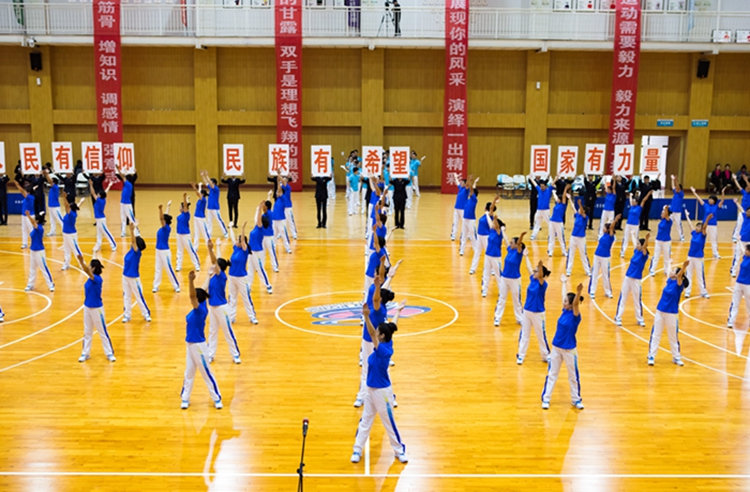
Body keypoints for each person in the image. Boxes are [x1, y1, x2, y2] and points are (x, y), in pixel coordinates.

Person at [351, 299, 407, 465]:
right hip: (370, 390)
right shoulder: (388, 340)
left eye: (378, 331)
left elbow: (370, 330)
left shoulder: (382, 349)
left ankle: (399, 450)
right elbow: (392, 326)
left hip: (382, 392)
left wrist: (367, 317)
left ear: (381, 336)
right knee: (366, 419)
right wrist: (398, 311)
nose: (375, 332)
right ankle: (357, 448)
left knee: (388, 422)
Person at [181, 270, 223, 410]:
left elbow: (192, 295)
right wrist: (208, 276)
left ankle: (216, 398)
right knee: (189, 373)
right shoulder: (203, 304)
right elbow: (203, 289)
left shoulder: (199, 310)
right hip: (190, 344)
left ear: (197, 300)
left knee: (206, 373)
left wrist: (191, 281)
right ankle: (185, 398)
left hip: (199, 346)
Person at [541, 279, 585, 410]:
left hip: (569, 350)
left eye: (566, 301)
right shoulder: (565, 311)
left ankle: (576, 399)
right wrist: (564, 283)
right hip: (556, 348)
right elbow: (564, 296)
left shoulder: (575, 315)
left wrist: (578, 292)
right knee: (552, 374)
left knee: (572, 376)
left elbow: (576, 304)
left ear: (571, 305)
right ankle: (546, 399)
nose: (563, 302)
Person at [204, 238, 241, 364]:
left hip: (222, 308)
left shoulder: (222, 276)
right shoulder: (214, 276)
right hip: (212, 307)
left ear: (219, 268)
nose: (213, 266)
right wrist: (218, 247)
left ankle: (235, 354)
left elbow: (215, 260)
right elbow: (218, 260)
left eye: (216, 266)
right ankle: (210, 354)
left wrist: (210, 249)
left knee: (227, 332)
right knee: (212, 331)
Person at [648, 261, 690, 366]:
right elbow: (672, 273)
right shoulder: (670, 281)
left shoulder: (678, 285)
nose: (670, 271)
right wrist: (671, 263)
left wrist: (684, 267)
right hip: (660, 310)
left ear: (677, 275)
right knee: (656, 334)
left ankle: (676, 357)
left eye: (673, 271)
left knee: (673, 336)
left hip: (671, 313)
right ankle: (651, 355)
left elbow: (680, 276)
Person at [76, 254, 116, 363]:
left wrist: (81, 261)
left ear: (93, 268)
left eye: (90, 266)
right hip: (87, 307)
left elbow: (86, 271)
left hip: (97, 309)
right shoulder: (90, 279)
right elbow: (87, 272)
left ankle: (109, 353)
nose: (88, 267)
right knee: (87, 331)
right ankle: (85, 353)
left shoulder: (97, 279)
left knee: (102, 331)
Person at [516, 260, 551, 365]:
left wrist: (540, 266)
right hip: (527, 311)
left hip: (538, 313)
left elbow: (540, 276)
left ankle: (545, 355)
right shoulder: (532, 280)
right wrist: (526, 256)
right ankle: (521, 355)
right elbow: (528, 268)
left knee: (540, 335)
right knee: (524, 334)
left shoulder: (543, 284)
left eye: (537, 271)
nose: (534, 272)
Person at [614, 234, 650, 327]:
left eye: (638, 244)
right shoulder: (636, 251)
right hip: (627, 277)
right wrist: (634, 236)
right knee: (623, 297)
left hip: (636, 279)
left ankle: (639, 318)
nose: (636, 245)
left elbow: (645, 247)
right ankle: (618, 317)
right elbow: (638, 245)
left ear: (642, 246)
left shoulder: (644, 255)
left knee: (637, 300)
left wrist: (646, 239)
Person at [494, 231, 528, 327]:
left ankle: (519, 318)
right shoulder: (510, 249)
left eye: (512, 242)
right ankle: (497, 317)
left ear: (517, 244)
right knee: (502, 298)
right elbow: (505, 240)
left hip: (515, 280)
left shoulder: (518, 252)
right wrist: (503, 231)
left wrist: (521, 235)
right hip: (504, 278)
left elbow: (519, 243)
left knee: (516, 299)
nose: (510, 243)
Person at [227, 223, 258, 325]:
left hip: (242, 277)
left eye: (238, 240)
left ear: (242, 242)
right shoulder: (235, 248)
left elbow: (244, 242)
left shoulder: (245, 250)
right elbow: (231, 237)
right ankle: (231, 317)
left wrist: (243, 229)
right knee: (232, 297)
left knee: (246, 297)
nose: (236, 241)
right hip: (232, 276)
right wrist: (230, 227)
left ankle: (252, 317)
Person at [121, 222, 152, 323]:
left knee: (139, 297)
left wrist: (130, 230)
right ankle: (127, 315)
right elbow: (135, 239)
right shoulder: (131, 250)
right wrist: (136, 227)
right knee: (127, 296)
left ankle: (146, 314)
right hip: (125, 276)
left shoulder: (136, 252)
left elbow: (134, 241)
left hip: (134, 278)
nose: (132, 242)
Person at [589, 215, 621, 299]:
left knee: (605, 275)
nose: (603, 229)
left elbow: (611, 228)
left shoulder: (611, 237)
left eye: (604, 228)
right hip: (597, 255)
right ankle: (592, 291)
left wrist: (615, 220)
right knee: (595, 273)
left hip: (605, 257)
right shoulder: (603, 235)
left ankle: (607, 291)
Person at [683, 210, 712, 299]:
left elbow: (705, 226)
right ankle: (687, 291)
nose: (697, 228)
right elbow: (689, 225)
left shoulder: (703, 235)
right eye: (697, 226)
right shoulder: (694, 233)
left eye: (699, 226)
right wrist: (687, 216)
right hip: (690, 257)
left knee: (700, 276)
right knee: (689, 275)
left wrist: (707, 219)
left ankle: (703, 291)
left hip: (699, 258)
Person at [152, 202, 180, 294]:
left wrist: (160, 209)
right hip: (158, 250)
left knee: (168, 268)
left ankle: (176, 285)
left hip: (165, 251)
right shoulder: (164, 227)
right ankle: (156, 286)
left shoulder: (166, 228)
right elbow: (165, 216)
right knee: (158, 268)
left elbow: (161, 218)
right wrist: (168, 206)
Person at [24, 211, 55, 293]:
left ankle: (50, 284)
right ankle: (30, 284)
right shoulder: (35, 228)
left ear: (37, 221)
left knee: (44, 268)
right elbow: (33, 223)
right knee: (32, 269)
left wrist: (28, 215)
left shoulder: (40, 228)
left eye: (35, 219)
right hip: (32, 251)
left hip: (39, 251)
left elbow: (33, 222)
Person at [690, 186, 724, 259]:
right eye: (709, 199)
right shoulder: (706, 206)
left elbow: (722, 201)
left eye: (711, 199)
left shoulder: (716, 207)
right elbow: (699, 199)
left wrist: (723, 193)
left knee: (713, 239)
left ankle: (715, 253)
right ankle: (699, 252)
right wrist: (694, 192)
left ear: (714, 201)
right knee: (701, 239)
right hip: (705, 225)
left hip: (713, 225)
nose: (709, 200)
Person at [248, 201, 273, 295]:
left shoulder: (260, 228)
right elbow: (257, 219)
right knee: (250, 270)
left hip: (257, 252)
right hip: (251, 251)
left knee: (260, 270)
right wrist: (258, 209)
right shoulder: (256, 227)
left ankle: (268, 285)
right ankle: (249, 286)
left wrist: (259, 209)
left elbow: (258, 219)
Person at [620, 190, 652, 258]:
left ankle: (636, 251)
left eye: (634, 201)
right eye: (633, 201)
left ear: (637, 202)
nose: (633, 202)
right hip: (628, 224)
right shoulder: (631, 207)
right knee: (626, 238)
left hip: (635, 226)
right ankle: (623, 252)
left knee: (635, 239)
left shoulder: (639, 208)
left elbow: (644, 200)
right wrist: (631, 194)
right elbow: (630, 198)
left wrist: (648, 194)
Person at [472, 197, 498, 276]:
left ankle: (493, 269)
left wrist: (494, 201)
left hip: (486, 237)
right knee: (477, 252)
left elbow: (492, 208)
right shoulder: (484, 216)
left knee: (489, 253)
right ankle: (473, 268)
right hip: (479, 236)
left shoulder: (490, 215)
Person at [566, 198, 592, 277]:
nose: (578, 209)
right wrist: (570, 199)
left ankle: (587, 271)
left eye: (580, 209)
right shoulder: (577, 215)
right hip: (573, 237)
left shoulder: (585, 217)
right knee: (571, 254)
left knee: (583, 255)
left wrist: (580, 204)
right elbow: (573, 207)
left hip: (581, 238)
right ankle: (568, 270)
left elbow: (582, 212)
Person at [175, 193, 201, 273]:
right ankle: (178, 265)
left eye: (181, 207)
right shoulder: (180, 215)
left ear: (184, 208)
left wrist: (184, 197)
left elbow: (186, 206)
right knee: (179, 250)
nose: (179, 208)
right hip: (179, 234)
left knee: (190, 250)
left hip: (185, 235)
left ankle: (196, 265)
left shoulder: (186, 214)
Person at [482, 214, 506, 298]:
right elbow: (490, 222)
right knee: (486, 273)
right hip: (488, 255)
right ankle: (484, 289)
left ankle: (502, 291)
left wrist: (495, 219)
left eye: (494, 223)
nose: (492, 224)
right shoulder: (491, 231)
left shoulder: (500, 234)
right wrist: (488, 214)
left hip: (496, 257)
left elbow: (498, 227)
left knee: (498, 275)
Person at [200, 170, 229, 239]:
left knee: (219, 220)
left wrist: (207, 175)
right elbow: (206, 182)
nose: (210, 183)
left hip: (215, 208)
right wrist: (203, 176)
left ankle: (225, 232)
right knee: (209, 221)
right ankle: (209, 233)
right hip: (209, 208)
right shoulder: (210, 188)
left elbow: (209, 182)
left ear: (214, 183)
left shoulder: (216, 189)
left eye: (211, 182)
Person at [91, 180, 117, 254]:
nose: (97, 194)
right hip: (97, 219)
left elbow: (93, 193)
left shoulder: (99, 200)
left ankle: (113, 244)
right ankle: (98, 245)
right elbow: (106, 192)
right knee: (98, 233)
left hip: (101, 219)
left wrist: (90, 185)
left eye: (98, 193)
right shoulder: (103, 198)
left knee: (106, 232)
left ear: (100, 195)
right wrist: (109, 185)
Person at [59, 192, 84, 270]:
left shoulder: (71, 214)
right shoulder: (73, 212)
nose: (68, 207)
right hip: (65, 233)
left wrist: (64, 197)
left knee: (75, 249)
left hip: (71, 234)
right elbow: (77, 206)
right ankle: (66, 264)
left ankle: (83, 264)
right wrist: (81, 201)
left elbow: (66, 205)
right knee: (66, 249)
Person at [728, 245, 750, 329]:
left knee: (749, 305)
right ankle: (731, 320)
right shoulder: (745, 257)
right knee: (735, 302)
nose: (745, 251)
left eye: (747, 250)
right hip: (738, 283)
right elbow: (741, 248)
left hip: (748, 285)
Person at [115, 165, 139, 237]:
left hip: (127, 204)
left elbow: (122, 177)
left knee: (131, 218)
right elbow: (122, 177)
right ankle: (123, 232)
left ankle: (136, 232)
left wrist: (118, 169)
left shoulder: (128, 185)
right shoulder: (126, 185)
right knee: (123, 218)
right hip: (122, 203)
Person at [547, 183, 570, 257]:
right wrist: (553, 192)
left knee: (560, 238)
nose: (557, 200)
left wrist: (565, 189)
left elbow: (563, 196)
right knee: (551, 237)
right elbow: (555, 197)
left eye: (559, 199)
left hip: (559, 223)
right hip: (552, 222)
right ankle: (550, 251)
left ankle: (564, 251)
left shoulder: (563, 205)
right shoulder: (557, 204)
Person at [649, 206, 673, 277]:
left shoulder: (669, 221)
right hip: (658, 240)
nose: (661, 214)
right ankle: (652, 270)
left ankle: (666, 270)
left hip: (666, 241)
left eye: (663, 213)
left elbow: (666, 215)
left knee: (666, 257)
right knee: (656, 256)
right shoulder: (661, 221)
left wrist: (666, 208)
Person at [460, 176, 480, 257]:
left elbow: (472, 189)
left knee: (473, 236)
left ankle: (476, 250)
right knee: (464, 234)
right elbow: (471, 189)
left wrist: (470, 181)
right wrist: (472, 181)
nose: (469, 193)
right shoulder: (468, 199)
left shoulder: (474, 199)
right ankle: (462, 250)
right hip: (465, 219)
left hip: (471, 220)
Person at [530, 176, 552, 241]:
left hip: (546, 210)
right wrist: (531, 178)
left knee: (549, 223)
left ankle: (552, 235)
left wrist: (556, 177)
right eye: (541, 186)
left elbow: (553, 183)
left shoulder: (548, 190)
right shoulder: (539, 190)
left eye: (543, 186)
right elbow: (535, 184)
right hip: (539, 210)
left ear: (545, 186)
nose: (542, 187)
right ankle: (533, 235)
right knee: (537, 223)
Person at [731, 201, 750, 277]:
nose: (748, 213)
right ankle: (734, 271)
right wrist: (736, 202)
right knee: (737, 256)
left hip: (749, 242)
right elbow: (741, 208)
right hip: (741, 240)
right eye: (747, 211)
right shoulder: (744, 216)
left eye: (749, 212)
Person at [42, 169, 63, 236]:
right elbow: (50, 181)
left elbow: (50, 181)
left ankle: (65, 230)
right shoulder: (52, 188)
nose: (50, 183)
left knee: (60, 219)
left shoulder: (55, 187)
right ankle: (52, 231)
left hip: (55, 206)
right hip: (50, 205)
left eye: (52, 182)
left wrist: (47, 174)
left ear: (54, 182)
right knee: (52, 220)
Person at [14, 181, 34, 248]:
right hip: (24, 215)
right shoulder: (27, 198)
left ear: (28, 192)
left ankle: (33, 242)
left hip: (29, 215)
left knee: (31, 229)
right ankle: (25, 243)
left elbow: (22, 191)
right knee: (24, 229)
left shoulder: (31, 197)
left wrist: (17, 185)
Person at [272, 187, 292, 255]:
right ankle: (273, 247)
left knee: (283, 234)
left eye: (278, 192)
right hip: (274, 220)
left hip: (281, 220)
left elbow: (285, 199)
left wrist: (279, 180)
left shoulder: (283, 199)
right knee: (274, 234)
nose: (276, 193)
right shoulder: (276, 200)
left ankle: (287, 248)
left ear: (281, 193)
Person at [190, 182, 210, 250]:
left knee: (205, 233)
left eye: (201, 193)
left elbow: (198, 193)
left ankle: (210, 247)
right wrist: (199, 186)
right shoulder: (200, 199)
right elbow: (198, 193)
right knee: (196, 233)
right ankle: (195, 247)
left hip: (201, 218)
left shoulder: (203, 200)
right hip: (196, 217)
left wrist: (194, 187)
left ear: (203, 194)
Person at [732, 174, 750, 243]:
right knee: (739, 224)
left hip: (749, 212)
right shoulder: (744, 192)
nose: (747, 188)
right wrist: (735, 179)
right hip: (742, 211)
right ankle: (735, 237)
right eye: (746, 188)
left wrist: (746, 180)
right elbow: (738, 186)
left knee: (746, 226)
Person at [451, 175, 469, 241]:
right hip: (456, 208)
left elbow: (467, 185)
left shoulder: (467, 190)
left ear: (465, 184)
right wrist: (455, 177)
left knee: (465, 222)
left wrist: (469, 180)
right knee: (455, 222)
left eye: (462, 183)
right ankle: (453, 235)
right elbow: (457, 182)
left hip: (463, 209)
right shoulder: (460, 188)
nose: (460, 183)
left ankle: (468, 234)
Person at [669, 175, 685, 242]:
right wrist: (672, 179)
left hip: (677, 212)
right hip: (671, 211)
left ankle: (681, 236)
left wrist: (676, 181)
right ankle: (667, 235)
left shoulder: (681, 194)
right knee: (668, 223)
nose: (675, 188)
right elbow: (673, 186)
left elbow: (677, 187)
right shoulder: (675, 193)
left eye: (677, 188)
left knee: (678, 225)